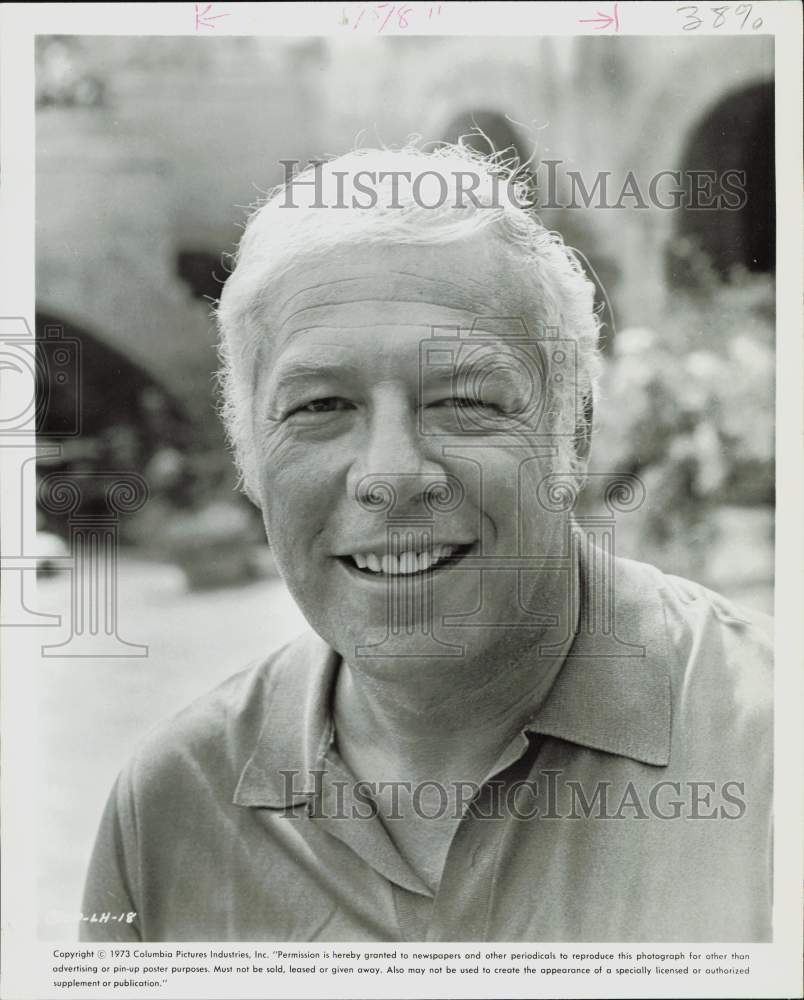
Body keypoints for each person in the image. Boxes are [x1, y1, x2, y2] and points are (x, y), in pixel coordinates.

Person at [80, 145, 772, 942]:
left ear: (575, 432)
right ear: (248, 459)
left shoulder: (768, 750)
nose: (390, 475)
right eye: (320, 406)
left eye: (464, 399)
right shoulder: (169, 808)